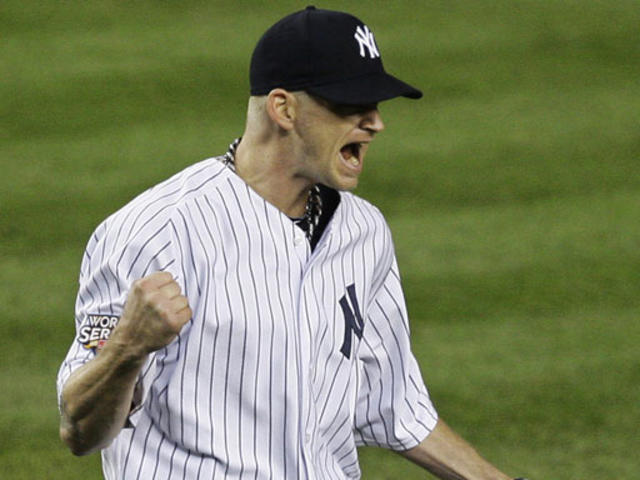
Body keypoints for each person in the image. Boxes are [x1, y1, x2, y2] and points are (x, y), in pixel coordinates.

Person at [57, 6, 528, 480]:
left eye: (377, 104)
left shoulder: (363, 232)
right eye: (351, 104)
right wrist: (127, 350)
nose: (375, 123)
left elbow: (393, 406)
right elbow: (80, 430)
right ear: (283, 109)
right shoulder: (155, 232)